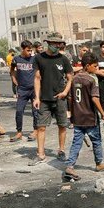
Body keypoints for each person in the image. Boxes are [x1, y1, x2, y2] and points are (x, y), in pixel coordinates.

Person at [63, 52, 104, 180]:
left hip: (78, 117)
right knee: (96, 141)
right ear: (87, 66)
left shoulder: (74, 79)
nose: (96, 69)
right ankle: (99, 163)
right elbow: (95, 99)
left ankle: (70, 166)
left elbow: (70, 98)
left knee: (76, 142)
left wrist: (72, 114)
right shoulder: (92, 80)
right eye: (95, 66)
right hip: (90, 118)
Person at [31, 33, 73, 165]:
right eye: (54, 43)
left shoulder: (63, 59)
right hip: (44, 99)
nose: (57, 45)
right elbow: (37, 78)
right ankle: (41, 154)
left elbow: (70, 78)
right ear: (48, 43)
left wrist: (65, 92)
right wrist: (37, 98)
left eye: (58, 43)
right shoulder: (39, 58)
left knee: (62, 125)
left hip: (60, 99)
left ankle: (61, 150)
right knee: (41, 127)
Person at [10, 40, 38, 142]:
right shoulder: (16, 59)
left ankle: (35, 130)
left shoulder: (34, 59)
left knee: (35, 111)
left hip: (34, 89)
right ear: (22, 49)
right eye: (28, 50)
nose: (30, 52)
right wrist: (14, 80)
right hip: (22, 89)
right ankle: (19, 132)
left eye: (31, 50)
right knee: (19, 111)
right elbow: (12, 71)